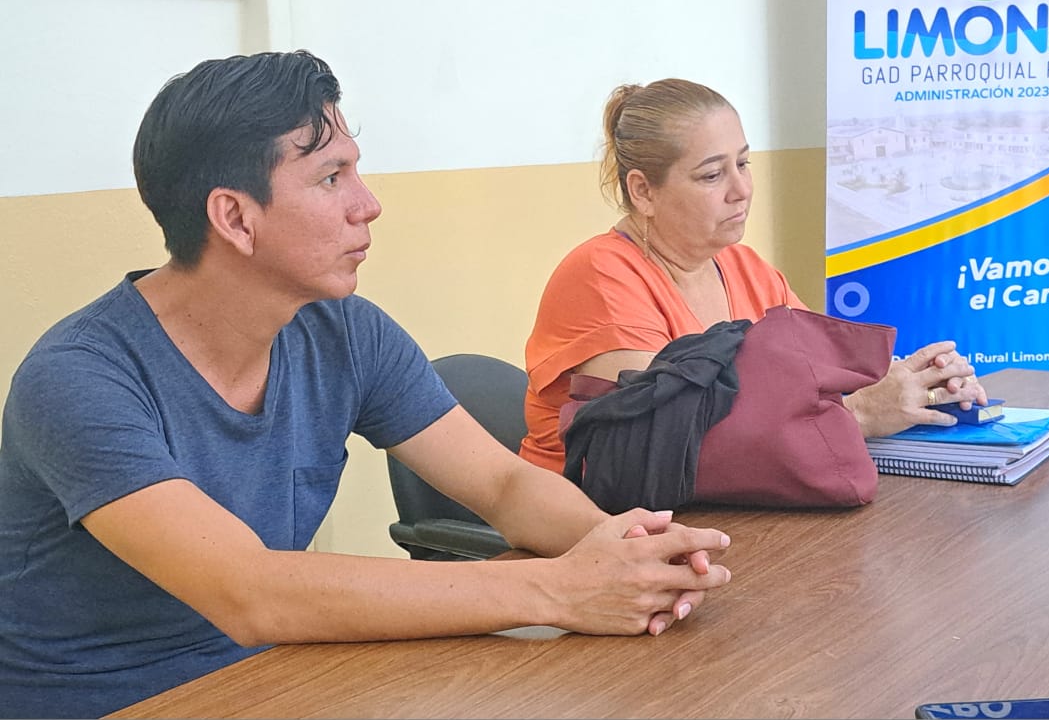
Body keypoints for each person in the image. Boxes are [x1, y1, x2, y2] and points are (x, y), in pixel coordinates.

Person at [0, 52, 732, 719]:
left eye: (356, 170)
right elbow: (248, 592)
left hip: (277, 679)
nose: (368, 203)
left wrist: (631, 549)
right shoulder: (79, 379)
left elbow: (504, 486)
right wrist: (558, 590)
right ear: (235, 218)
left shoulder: (344, 330)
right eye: (331, 179)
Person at [520, 78, 989, 475]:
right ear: (643, 191)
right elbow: (669, 443)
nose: (742, 190)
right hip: (595, 526)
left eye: (743, 164)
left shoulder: (744, 266)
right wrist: (862, 412)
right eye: (712, 176)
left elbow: (826, 379)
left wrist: (922, 386)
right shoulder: (599, 277)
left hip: (732, 512)